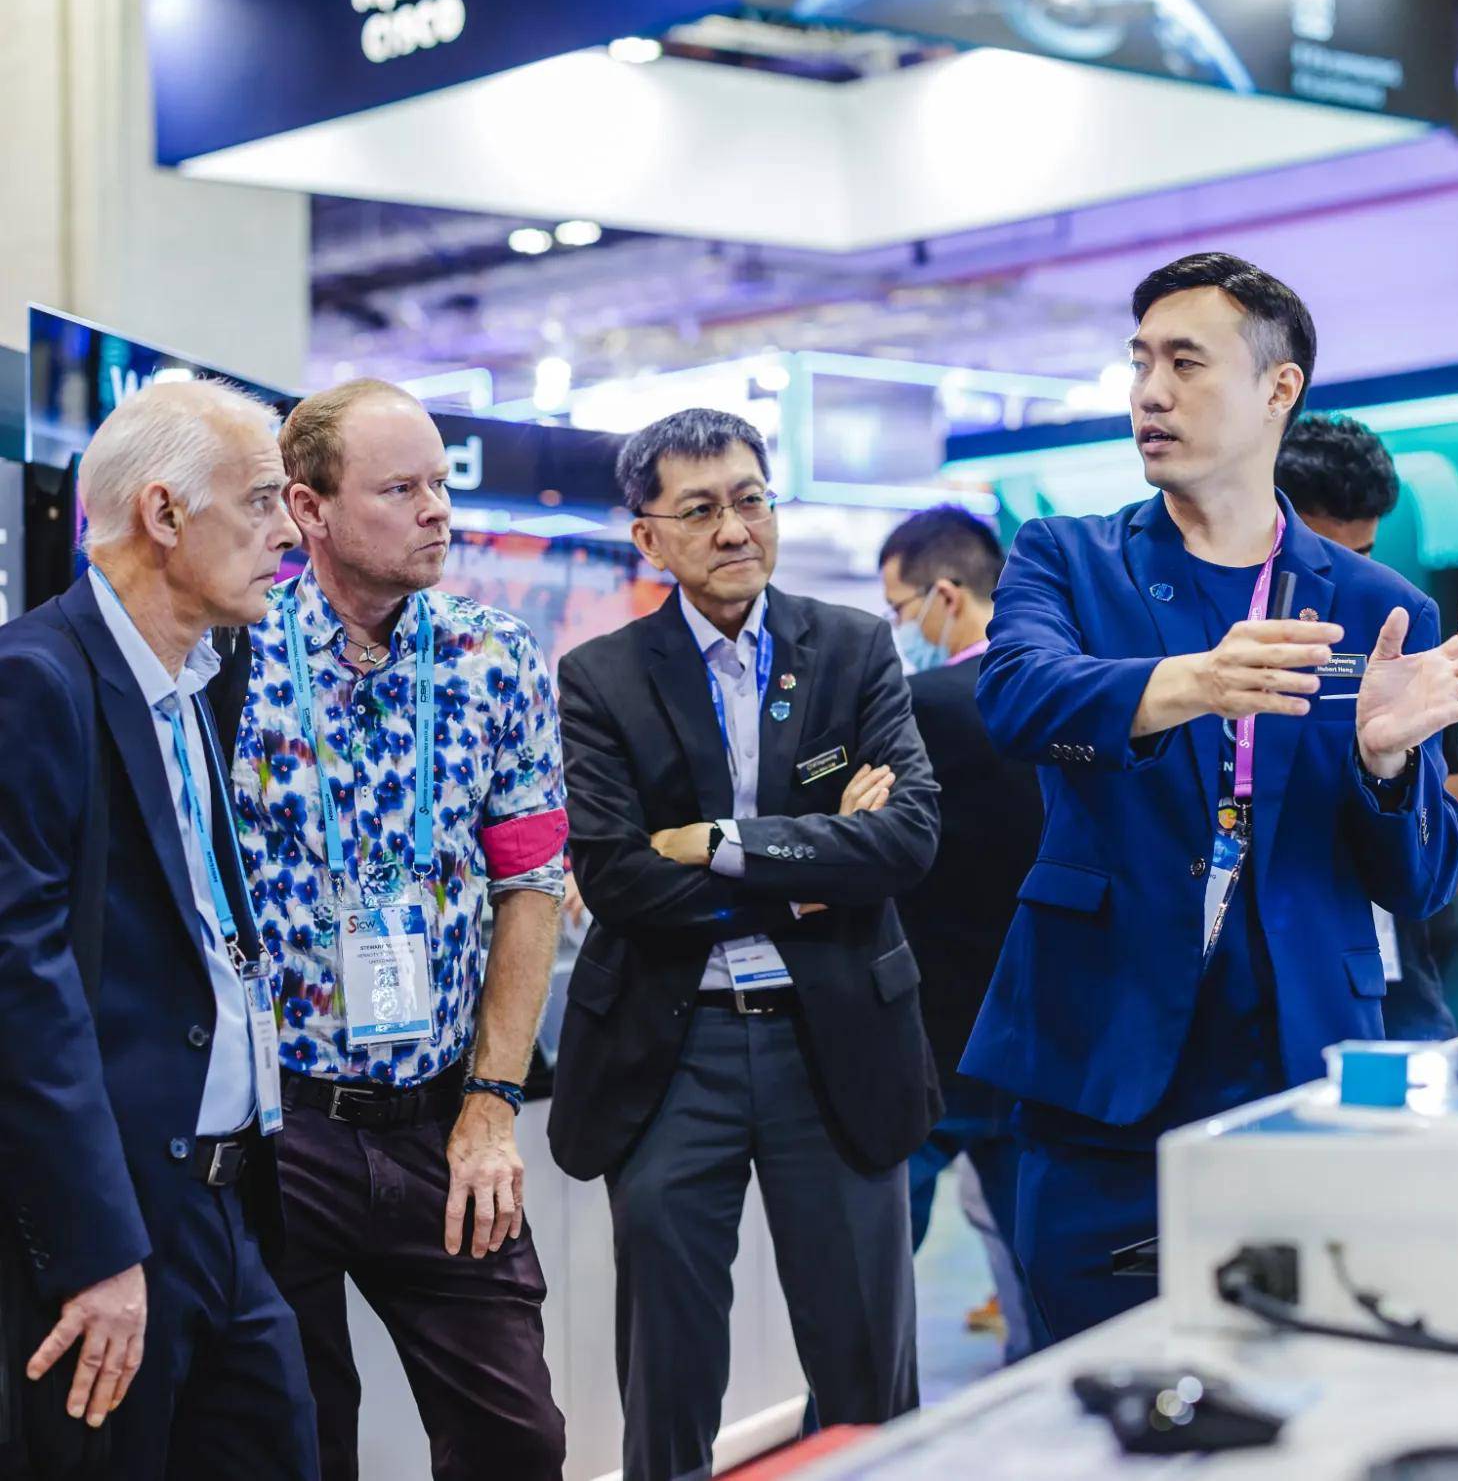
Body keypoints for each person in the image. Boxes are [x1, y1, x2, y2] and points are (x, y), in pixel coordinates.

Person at [964, 252, 1458, 1342]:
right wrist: (1192, 683)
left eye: (1184, 361)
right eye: (1138, 364)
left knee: (1303, 1383)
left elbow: (1417, 881)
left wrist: (1388, 767)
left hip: (1296, 1061)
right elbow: (1015, 697)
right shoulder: (1068, 559)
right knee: (1097, 1389)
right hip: (1104, 1061)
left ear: (1278, 388)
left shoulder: (1375, 603)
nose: (1149, 392)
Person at [551, 410, 941, 1481]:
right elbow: (618, 878)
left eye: (750, 498)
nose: (733, 528)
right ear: (650, 538)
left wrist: (727, 844)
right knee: (668, 1376)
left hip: (838, 1044)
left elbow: (906, 837)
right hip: (676, 1051)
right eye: (701, 508)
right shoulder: (601, 679)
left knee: (866, 1366)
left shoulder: (854, 647)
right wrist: (816, 876)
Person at [225, 380, 570, 1480]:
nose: (437, 510)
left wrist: (490, 1105)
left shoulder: (495, 659)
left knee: (518, 1437)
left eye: (440, 483)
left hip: (441, 1118)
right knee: (297, 1438)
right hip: (278, 1127)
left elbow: (529, 887)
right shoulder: (232, 663)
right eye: (401, 487)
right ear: (309, 507)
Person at [0, 380, 316, 1479]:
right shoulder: (35, 680)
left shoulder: (197, 682)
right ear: (166, 514)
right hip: (119, 1222)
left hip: (232, 1206)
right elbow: (22, 988)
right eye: (264, 500)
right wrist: (97, 1251)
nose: (289, 529)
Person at [879, 506, 1043, 1362]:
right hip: (1034, 1038)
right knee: (1041, 1286)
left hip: (926, 1044)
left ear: (946, 595)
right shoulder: (1067, 698)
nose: (900, 631)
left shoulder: (920, 706)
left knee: (866, 1298)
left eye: (902, 611)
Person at [1275, 413, 1458, 1041]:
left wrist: (1410, 820)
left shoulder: (1404, 656)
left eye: (1364, 556)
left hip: (1394, 1000)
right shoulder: (1226, 656)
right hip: (1266, 996)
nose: (1348, 581)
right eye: (1324, 556)